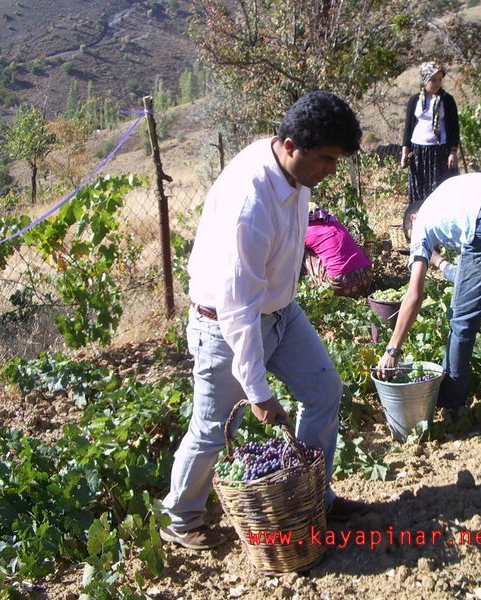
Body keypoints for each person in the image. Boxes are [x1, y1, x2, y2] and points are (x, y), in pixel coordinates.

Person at [160, 92, 366, 551]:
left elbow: (288, 231)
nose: (330, 170)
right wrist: (258, 390)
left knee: (323, 391)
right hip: (226, 325)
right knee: (214, 429)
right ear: (291, 145)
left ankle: (315, 498)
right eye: (327, 160)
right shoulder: (248, 203)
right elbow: (237, 308)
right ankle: (181, 517)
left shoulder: (293, 168)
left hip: (281, 313)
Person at [376, 173, 481, 430]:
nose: (419, 248)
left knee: (462, 322)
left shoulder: (421, 223)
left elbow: (414, 295)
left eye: (413, 242)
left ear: (413, 218)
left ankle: (453, 404)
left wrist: (392, 350)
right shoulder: (449, 195)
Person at [401, 61, 460, 206]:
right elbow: (408, 128)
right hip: (418, 152)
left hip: (440, 151)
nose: (437, 83)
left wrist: (453, 151)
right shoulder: (415, 100)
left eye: (440, 79)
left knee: (441, 190)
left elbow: (454, 127)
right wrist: (405, 152)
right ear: (425, 80)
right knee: (419, 190)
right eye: (433, 80)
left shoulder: (447, 100)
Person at [302, 204, 373, 298]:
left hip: (342, 284)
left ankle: (311, 285)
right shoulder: (334, 222)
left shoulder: (306, 231)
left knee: (301, 251)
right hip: (366, 277)